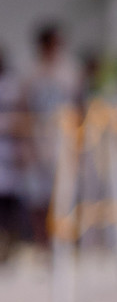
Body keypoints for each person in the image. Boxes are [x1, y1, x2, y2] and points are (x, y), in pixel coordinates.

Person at [22, 23, 81, 246]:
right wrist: (26, 144)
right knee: (38, 197)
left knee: (64, 194)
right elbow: (24, 108)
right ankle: (42, 243)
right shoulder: (31, 75)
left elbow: (78, 106)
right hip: (38, 141)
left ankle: (64, 242)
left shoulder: (70, 72)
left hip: (63, 142)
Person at [0, 48, 26, 262]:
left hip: (8, 151)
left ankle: (10, 246)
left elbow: (22, 116)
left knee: (10, 204)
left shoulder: (12, 86)